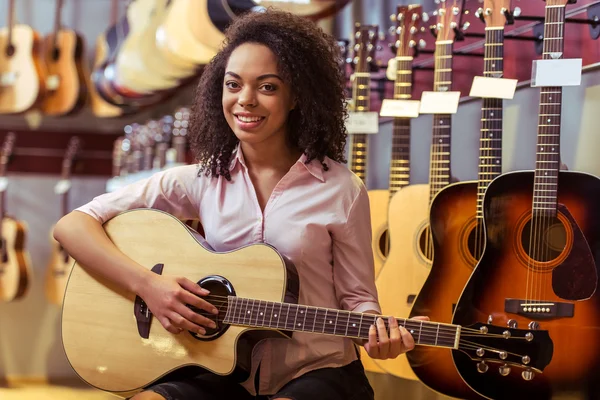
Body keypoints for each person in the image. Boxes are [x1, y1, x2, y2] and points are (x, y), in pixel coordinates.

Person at [54, 9, 427, 400]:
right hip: (214, 366)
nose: (245, 101)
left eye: (267, 87)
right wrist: (149, 286)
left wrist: (379, 334)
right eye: (234, 85)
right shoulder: (199, 179)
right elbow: (72, 226)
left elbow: (358, 299)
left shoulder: (340, 188)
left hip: (315, 372)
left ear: (297, 95)